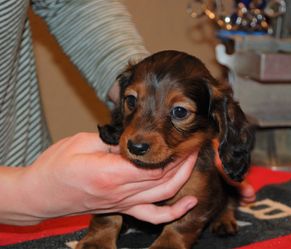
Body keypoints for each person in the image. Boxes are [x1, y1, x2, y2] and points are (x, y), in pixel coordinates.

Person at [0, 0, 255, 226]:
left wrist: (148, 78)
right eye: (132, 102)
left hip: (32, 168)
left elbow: (72, 4)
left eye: (179, 111)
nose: (140, 136)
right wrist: (26, 194)